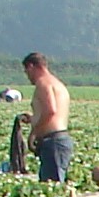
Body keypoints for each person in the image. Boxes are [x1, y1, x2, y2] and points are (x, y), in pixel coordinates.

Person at [22, 52, 74, 183]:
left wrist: (34, 133)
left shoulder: (43, 83)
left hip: (53, 142)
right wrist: (33, 118)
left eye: (26, 71)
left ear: (31, 66)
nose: (27, 76)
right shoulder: (56, 83)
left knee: (52, 184)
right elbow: (51, 114)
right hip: (59, 139)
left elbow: (50, 111)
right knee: (55, 182)